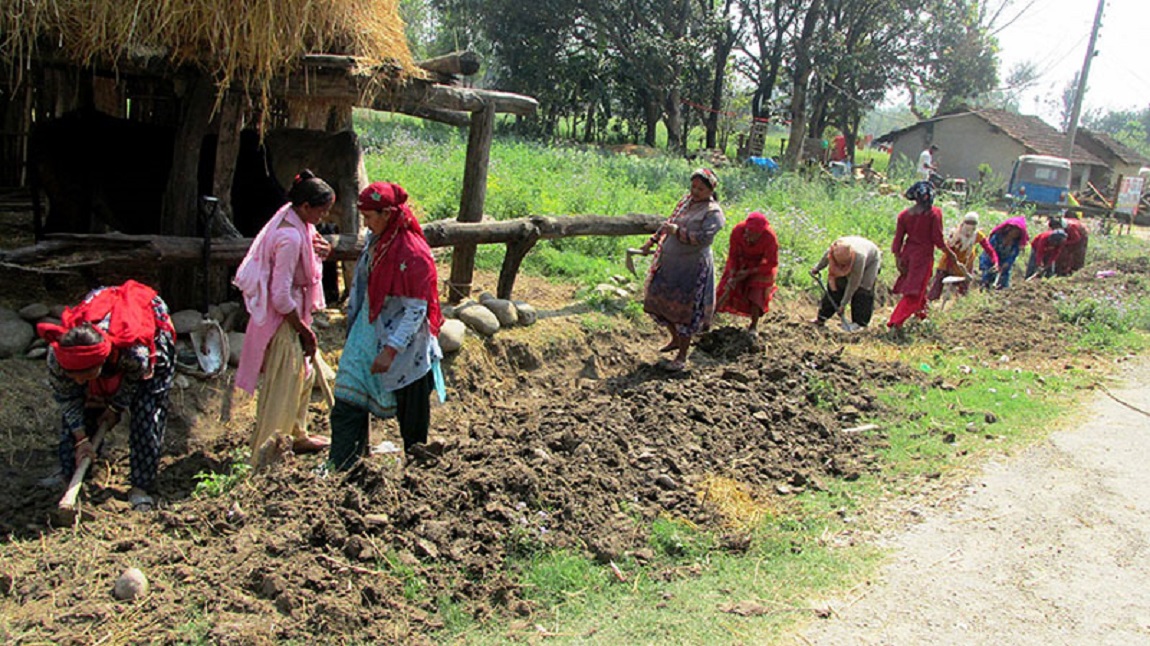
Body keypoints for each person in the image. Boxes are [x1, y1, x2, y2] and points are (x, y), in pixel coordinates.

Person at [329, 182, 445, 470]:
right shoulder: (377, 239)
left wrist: (391, 350)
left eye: (369, 217)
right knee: (346, 392)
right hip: (369, 328)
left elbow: (416, 309)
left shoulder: (413, 254)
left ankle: (417, 471)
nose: (366, 224)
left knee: (412, 413)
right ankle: (343, 465)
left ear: (388, 214)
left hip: (406, 345)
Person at [36, 280, 176, 512]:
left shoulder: (134, 354)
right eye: (75, 376)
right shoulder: (58, 357)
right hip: (106, 329)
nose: (80, 381)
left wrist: (115, 408)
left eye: (86, 375)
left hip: (149, 332)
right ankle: (70, 475)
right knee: (84, 409)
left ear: (101, 362)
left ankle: (142, 486)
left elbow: (134, 382)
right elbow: (68, 399)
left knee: (147, 413)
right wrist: (81, 439)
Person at [234, 169, 334, 468]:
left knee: (305, 376)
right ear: (305, 207)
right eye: (322, 210)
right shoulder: (289, 237)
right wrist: (303, 330)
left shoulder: (298, 221)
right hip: (283, 320)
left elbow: (314, 246)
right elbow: (279, 295)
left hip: (296, 310)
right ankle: (265, 455)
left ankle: (297, 434)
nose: (324, 216)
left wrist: (325, 251)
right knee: (283, 384)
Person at [641, 168, 725, 371]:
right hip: (670, 264)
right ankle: (675, 339)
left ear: (710, 190)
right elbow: (668, 223)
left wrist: (680, 233)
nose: (695, 191)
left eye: (700, 189)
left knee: (684, 312)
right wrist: (651, 241)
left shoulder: (713, 212)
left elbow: (704, 239)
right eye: (693, 187)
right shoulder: (686, 202)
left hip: (691, 268)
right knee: (658, 303)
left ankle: (681, 357)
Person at [887, 181, 965, 331]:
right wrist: (950, 254)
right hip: (922, 258)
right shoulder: (934, 213)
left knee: (919, 287)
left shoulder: (904, 215)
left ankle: (921, 315)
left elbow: (898, 240)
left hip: (907, 256)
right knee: (914, 293)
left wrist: (898, 260)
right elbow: (937, 239)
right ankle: (895, 323)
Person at [716, 211, 778, 331]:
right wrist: (733, 273)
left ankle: (753, 326)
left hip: (760, 266)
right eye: (749, 232)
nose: (750, 236)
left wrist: (750, 271)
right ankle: (710, 317)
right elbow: (733, 255)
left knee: (756, 293)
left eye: (755, 234)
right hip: (741, 261)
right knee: (725, 286)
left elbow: (771, 263)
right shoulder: (738, 231)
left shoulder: (770, 237)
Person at [810, 235, 882, 328]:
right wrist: (817, 268)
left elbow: (853, 283)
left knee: (863, 290)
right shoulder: (834, 249)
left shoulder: (860, 258)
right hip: (852, 254)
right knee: (836, 285)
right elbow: (825, 258)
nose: (842, 267)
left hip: (870, 261)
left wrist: (843, 304)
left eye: (844, 265)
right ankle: (822, 317)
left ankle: (859, 323)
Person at [927, 211, 998, 301]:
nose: (970, 226)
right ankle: (930, 303)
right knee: (937, 286)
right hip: (949, 262)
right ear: (964, 222)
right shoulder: (956, 234)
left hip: (966, 264)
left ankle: (958, 305)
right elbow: (949, 249)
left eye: (973, 223)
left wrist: (995, 261)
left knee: (963, 290)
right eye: (968, 222)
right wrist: (952, 265)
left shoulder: (977, 235)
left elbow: (989, 249)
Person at [979, 217, 1029, 289]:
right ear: (1009, 230)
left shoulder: (1016, 244)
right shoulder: (997, 237)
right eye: (1014, 231)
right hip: (991, 258)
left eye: (1017, 233)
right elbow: (990, 250)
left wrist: (1006, 263)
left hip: (1004, 260)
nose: (1015, 234)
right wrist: (995, 263)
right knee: (988, 273)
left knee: (1004, 279)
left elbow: (1013, 256)